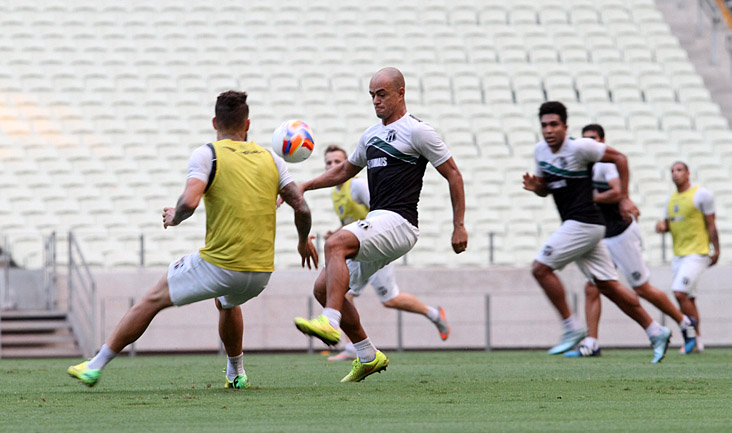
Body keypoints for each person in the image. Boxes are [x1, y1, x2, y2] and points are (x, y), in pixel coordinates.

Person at [67, 91, 318, 388]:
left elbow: (190, 201)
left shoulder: (208, 154)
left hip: (222, 266)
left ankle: (94, 366)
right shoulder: (272, 159)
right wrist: (303, 241)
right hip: (261, 273)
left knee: (151, 299)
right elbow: (301, 207)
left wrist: (176, 216)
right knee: (226, 301)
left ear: (214, 122)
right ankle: (236, 373)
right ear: (247, 124)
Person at [292, 67, 467, 382]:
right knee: (323, 288)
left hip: (400, 221)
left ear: (401, 92)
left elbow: (453, 173)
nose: (376, 100)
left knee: (335, 245)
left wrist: (459, 225)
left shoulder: (418, 132)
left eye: (381, 94)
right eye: (372, 95)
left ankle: (330, 322)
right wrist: (305, 186)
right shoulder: (370, 135)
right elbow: (344, 170)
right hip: (377, 221)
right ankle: (368, 355)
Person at [522, 101, 671, 363]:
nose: (548, 130)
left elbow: (620, 158)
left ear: (565, 127)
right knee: (609, 287)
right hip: (582, 226)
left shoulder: (581, 147)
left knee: (540, 268)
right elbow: (549, 187)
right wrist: (538, 187)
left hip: (585, 223)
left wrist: (624, 197)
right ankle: (656, 330)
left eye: (554, 124)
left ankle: (572, 326)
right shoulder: (541, 152)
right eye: (544, 125)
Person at [564, 124, 698, 358]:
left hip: (621, 234)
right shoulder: (582, 167)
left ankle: (685, 322)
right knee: (592, 287)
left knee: (642, 288)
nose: (589, 144)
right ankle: (592, 342)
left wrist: (592, 198)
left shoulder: (605, 165)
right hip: (601, 236)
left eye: (594, 140)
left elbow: (616, 192)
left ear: (602, 141)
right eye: (585, 140)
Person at [320, 145, 450, 361]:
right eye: (329, 162)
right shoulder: (336, 192)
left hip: (376, 244)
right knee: (343, 292)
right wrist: (336, 232)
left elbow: (380, 211)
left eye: (337, 162)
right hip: (357, 248)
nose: (333, 166)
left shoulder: (358, 185)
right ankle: (354, 347)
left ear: (347, 164)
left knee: (390, 299)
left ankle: (434, 314)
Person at [655, 161, 719, 353]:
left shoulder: (701, 195)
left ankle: (689, 334)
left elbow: (711, 224)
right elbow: (667, 224)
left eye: (679, 170)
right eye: (672, 170)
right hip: (679, 256)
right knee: (687, 299)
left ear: (688, 173)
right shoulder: (670, 200)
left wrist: (716, 250)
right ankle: (697, 341)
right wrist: (661, 227)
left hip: (697, 253)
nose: (675, 174)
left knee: (679, 292)